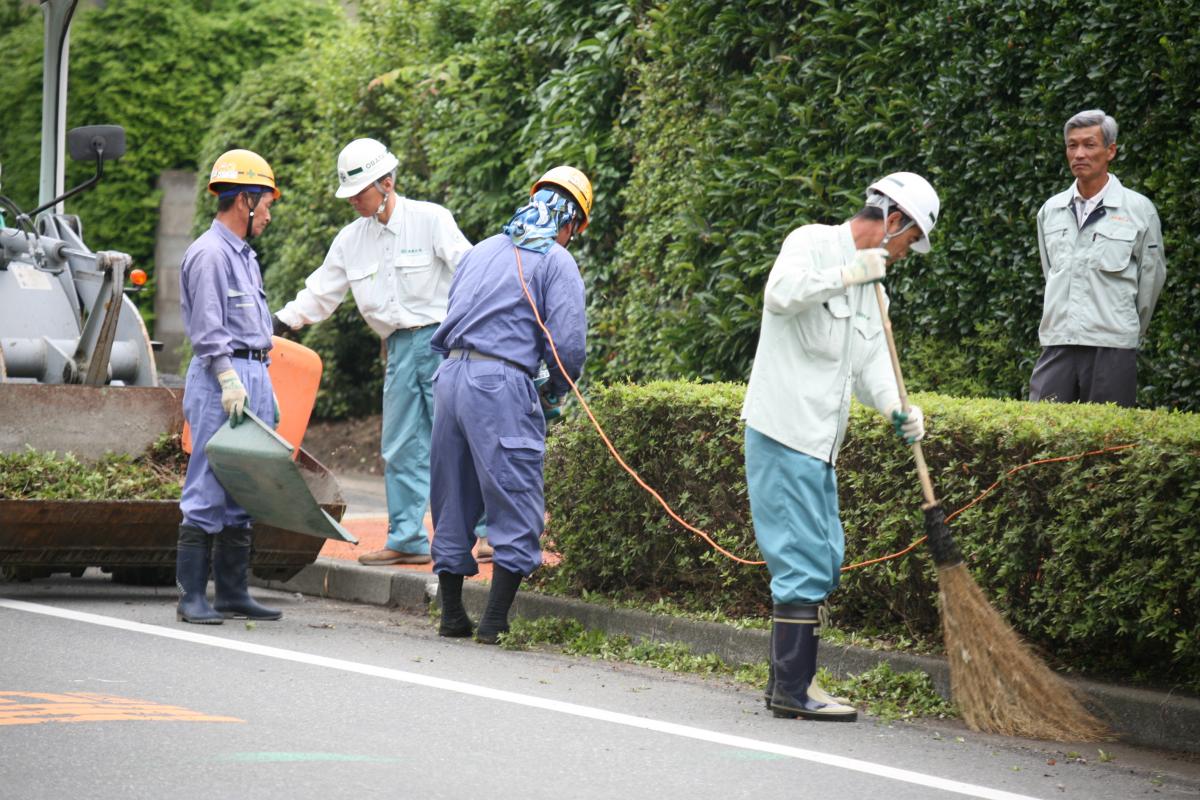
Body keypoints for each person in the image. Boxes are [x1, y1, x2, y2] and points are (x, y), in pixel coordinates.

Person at [741, 172, 939, 721]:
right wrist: (851, 272)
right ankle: (793, 689)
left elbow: (874, 367)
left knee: (825, 556)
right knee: (803, 560)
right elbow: (780, 296)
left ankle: (788, 681)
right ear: (893, 221)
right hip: (784, 430)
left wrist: (899, 409)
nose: (903, 254)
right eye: (908, 242)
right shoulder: (810, 243)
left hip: (820, 444)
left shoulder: (876, 291)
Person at [273, 138, 478, 566]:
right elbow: (320, 292)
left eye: (359, 192)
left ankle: (486, 533)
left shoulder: (431, 220)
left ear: (387, 182)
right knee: (401, 446)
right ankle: (407, 538)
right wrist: (281, 322)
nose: (353, 201)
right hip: (400, 349)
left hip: (446, 342)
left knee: (458, 438)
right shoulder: (351, 241)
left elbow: (473, 274)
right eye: (348, 194)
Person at [429, 166, 592, 644]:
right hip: (497, 383)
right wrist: (554, 392)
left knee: (452, 492)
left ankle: (452, 614)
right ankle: (495, 621)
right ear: (572, 223)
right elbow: (568, 346)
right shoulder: (557, 259)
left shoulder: (481, 250)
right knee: (514, 491)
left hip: (450, 376)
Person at [176, 149, 284, 625]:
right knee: (208, 481)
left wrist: (264, 382)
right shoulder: (210, 256)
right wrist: (227, 377)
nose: (269, 212)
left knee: (244, 483)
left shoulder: (243, 256)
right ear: (245, 200)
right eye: (267, 203)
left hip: (252, 375)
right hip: (224, 379)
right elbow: (208, 329)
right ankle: (191, 597)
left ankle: (233, 591)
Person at [1029, 109, 1166, 407]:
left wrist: (1125, 328)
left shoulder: (1139, 210)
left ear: (1110, 151)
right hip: (1058, 342)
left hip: (1111, 346)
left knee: (1107, 443)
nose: (1079, 153)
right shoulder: (1050, 211)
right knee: (1042, 432)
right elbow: (1050, 271)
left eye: (1089, 145)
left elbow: (1151, 281)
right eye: (1072, 145)